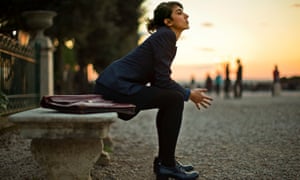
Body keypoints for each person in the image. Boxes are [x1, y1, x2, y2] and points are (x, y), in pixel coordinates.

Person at [94, 2, 212, 179]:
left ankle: (166, 161)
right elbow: (163, 80)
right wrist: (188, 94)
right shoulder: (165, 36)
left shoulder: (164, 37)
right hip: (116, 86)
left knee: (171, 98)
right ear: (168, 21)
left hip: (113, 84)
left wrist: (182, 92)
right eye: (180, 12)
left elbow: (159, 80)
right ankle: (167, 164)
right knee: (174, 99)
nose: (186, 16)